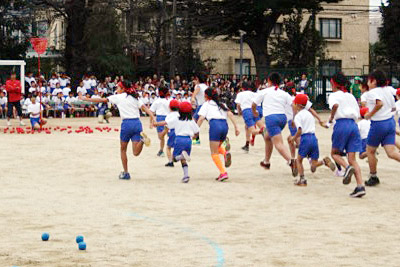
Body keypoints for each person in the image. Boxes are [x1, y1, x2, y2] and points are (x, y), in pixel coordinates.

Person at [79, 81, 155, 180]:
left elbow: (101, 100)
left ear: (123, 89)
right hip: (137, 123)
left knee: (123, 149)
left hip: (126, 124)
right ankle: (142, 141)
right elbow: (145, 108)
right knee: (135, 152)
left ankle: (126, 173)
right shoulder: (135, 97)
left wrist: (86, 99)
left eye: (118, 88)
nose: (116, 89)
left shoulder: (118, 97)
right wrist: (152, 116)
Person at [327, 72, 365, 198]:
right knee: (352, 158)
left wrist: (332, 117)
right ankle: (360, 186)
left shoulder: (333, 95)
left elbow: (335, 106)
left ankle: (347, 168)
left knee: (334, 153)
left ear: (334, 83)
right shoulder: (351, 96)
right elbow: (358, 113)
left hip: (342, 124)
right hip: (353, 125)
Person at [252, 72, 296, 176]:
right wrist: (294, 118)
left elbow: (253, 104)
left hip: (271, 118)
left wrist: (255, 112)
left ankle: (291, 162)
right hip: (282, 118)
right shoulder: (284, 93)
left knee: (278, 143)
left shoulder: (265, 91)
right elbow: (293, 105)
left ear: (269, 81)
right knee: (267, 136)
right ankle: (266, 162)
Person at [289, 94, 335, 186]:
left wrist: (293, 138)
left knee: (299, 160)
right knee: (313, 166)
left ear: (298, 105)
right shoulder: (309, 114)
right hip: (314, 138)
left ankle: (302, 179)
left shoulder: (298, 116)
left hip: (305, 139)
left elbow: (299, 130)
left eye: (294, 103)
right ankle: (324, 161)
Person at [364, 70, 400, 186]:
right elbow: (394, 104)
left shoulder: (372, 92)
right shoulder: (388, 89)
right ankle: (373, 176)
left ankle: (373, 176)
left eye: (369, 80)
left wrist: (370, 114)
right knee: (391, 152)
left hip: (379, 124)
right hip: (390, 122)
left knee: (370, 150)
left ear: (373, 81)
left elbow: (379, 104)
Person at [197, 88, 240, 182]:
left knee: (214, 152)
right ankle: (225, 153)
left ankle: (223, 172)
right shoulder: (222, 104)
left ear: (207, 96)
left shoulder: (206, 104)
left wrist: (196, 131)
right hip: (225, 126)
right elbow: (231, 115)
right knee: (218, 147)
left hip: (215, 126)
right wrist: (236, 127)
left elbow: (200, 119)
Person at [167, 101, 200, 183]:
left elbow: (167, 124)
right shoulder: (191, 121)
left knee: (174, 159)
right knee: (184, 160)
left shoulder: (176, 120)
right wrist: (194, 138)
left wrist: (156, 124)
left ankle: (181, 156)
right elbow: (197, 132)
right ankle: (186, 175)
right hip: (188, 140)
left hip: (179, 139)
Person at [235, 83, 264, 152]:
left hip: (247, 111)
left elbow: (238, 105)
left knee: (252, 130)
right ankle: (247, 144)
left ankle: (266, 132)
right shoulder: (253, 94)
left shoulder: (240, 94)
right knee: (248, 127)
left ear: (242, 88)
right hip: (255, 110)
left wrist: (239, 112)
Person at [154, 100, 180, 167]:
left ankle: (170, 161)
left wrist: (162, 133)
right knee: (178, 147)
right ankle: (180, 155)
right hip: (180, 132)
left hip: (173, 132)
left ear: (169, 107)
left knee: (168, 147)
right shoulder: (180, 115)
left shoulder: (169, 115)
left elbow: (166, 125)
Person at [150, 86, 170, 157]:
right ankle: (166, 149)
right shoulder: (169, 101)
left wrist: (151, 122)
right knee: (169, 135)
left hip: (159, 118)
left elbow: (151, 112)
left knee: (161, 137)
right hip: (168, 118)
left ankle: (161, 150)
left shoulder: (157, 101)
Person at [191, 74, 208, 145]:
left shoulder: (198, 86)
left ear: (197, 79)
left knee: (194, 121)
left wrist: (192, 98)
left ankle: (196, 138)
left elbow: (194, 94)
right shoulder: (206, 87)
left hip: (202, 106)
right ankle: (196, 138)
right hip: (206, 105)